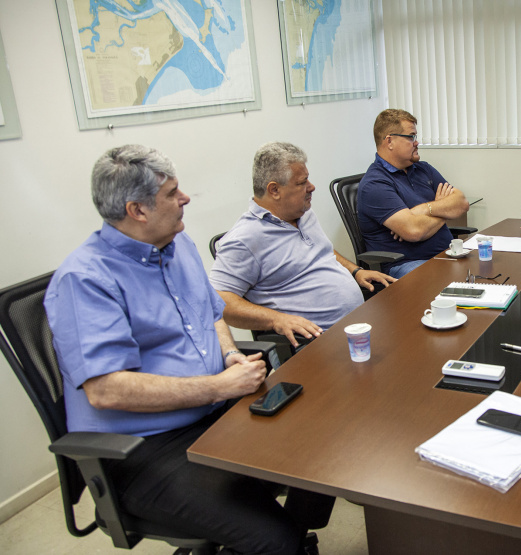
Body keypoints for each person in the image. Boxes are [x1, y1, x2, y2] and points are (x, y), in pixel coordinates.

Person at [45, 145, 334, 555]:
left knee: (327, 446)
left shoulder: (175, 246)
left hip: (212, 414)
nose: (185, 199)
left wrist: (229, 356)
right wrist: (219, 386)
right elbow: (107, 390)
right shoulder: (84, 280)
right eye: (172, 193)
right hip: (144, 448)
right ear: (137, 210)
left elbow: (212, 314)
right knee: (273, 538)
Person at [210, 142, 395, 349]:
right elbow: (220, 301)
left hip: (357, 326)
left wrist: (355, 271)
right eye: (302, 182)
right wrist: (277, 320)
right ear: (274, 190)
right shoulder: (244, 239)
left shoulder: (303, 212)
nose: (312, 187)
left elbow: (320, 249)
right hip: (315, 343)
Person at [357, 109, 470, 278]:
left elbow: (461, 203)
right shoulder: (375, 184)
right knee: (453, 282)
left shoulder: (423, 169)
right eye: (411, 136)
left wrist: (421, 210)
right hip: (407, 264)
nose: (416, 142)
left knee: (489, 270)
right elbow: (414, 231)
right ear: (390, 141)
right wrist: (444, 209)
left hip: (446, 254)